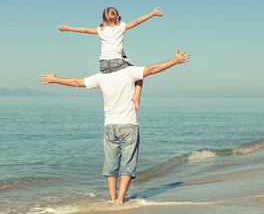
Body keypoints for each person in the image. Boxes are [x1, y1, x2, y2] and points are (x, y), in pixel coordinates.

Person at [39, 49, 190, 204]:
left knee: (111, 165)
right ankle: (120, 201)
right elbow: (151, 70)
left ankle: (112, 199)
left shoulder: (101, 77)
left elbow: (77, 82)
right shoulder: (130, 72)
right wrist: (174, 61)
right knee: (128, 165)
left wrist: (56, 79)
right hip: (128, 125)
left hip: (109, 126)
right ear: (123, 60)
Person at [58, 7, 164, 111]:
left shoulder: (101, 30)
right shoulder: (122, 27)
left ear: (103, 20)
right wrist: (152, 13)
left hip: (103, 66)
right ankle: (136, 96)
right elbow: (138, 21)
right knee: (139, 75)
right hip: (116, 63)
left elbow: (85, 30)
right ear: (117, 18)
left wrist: (69, 28)